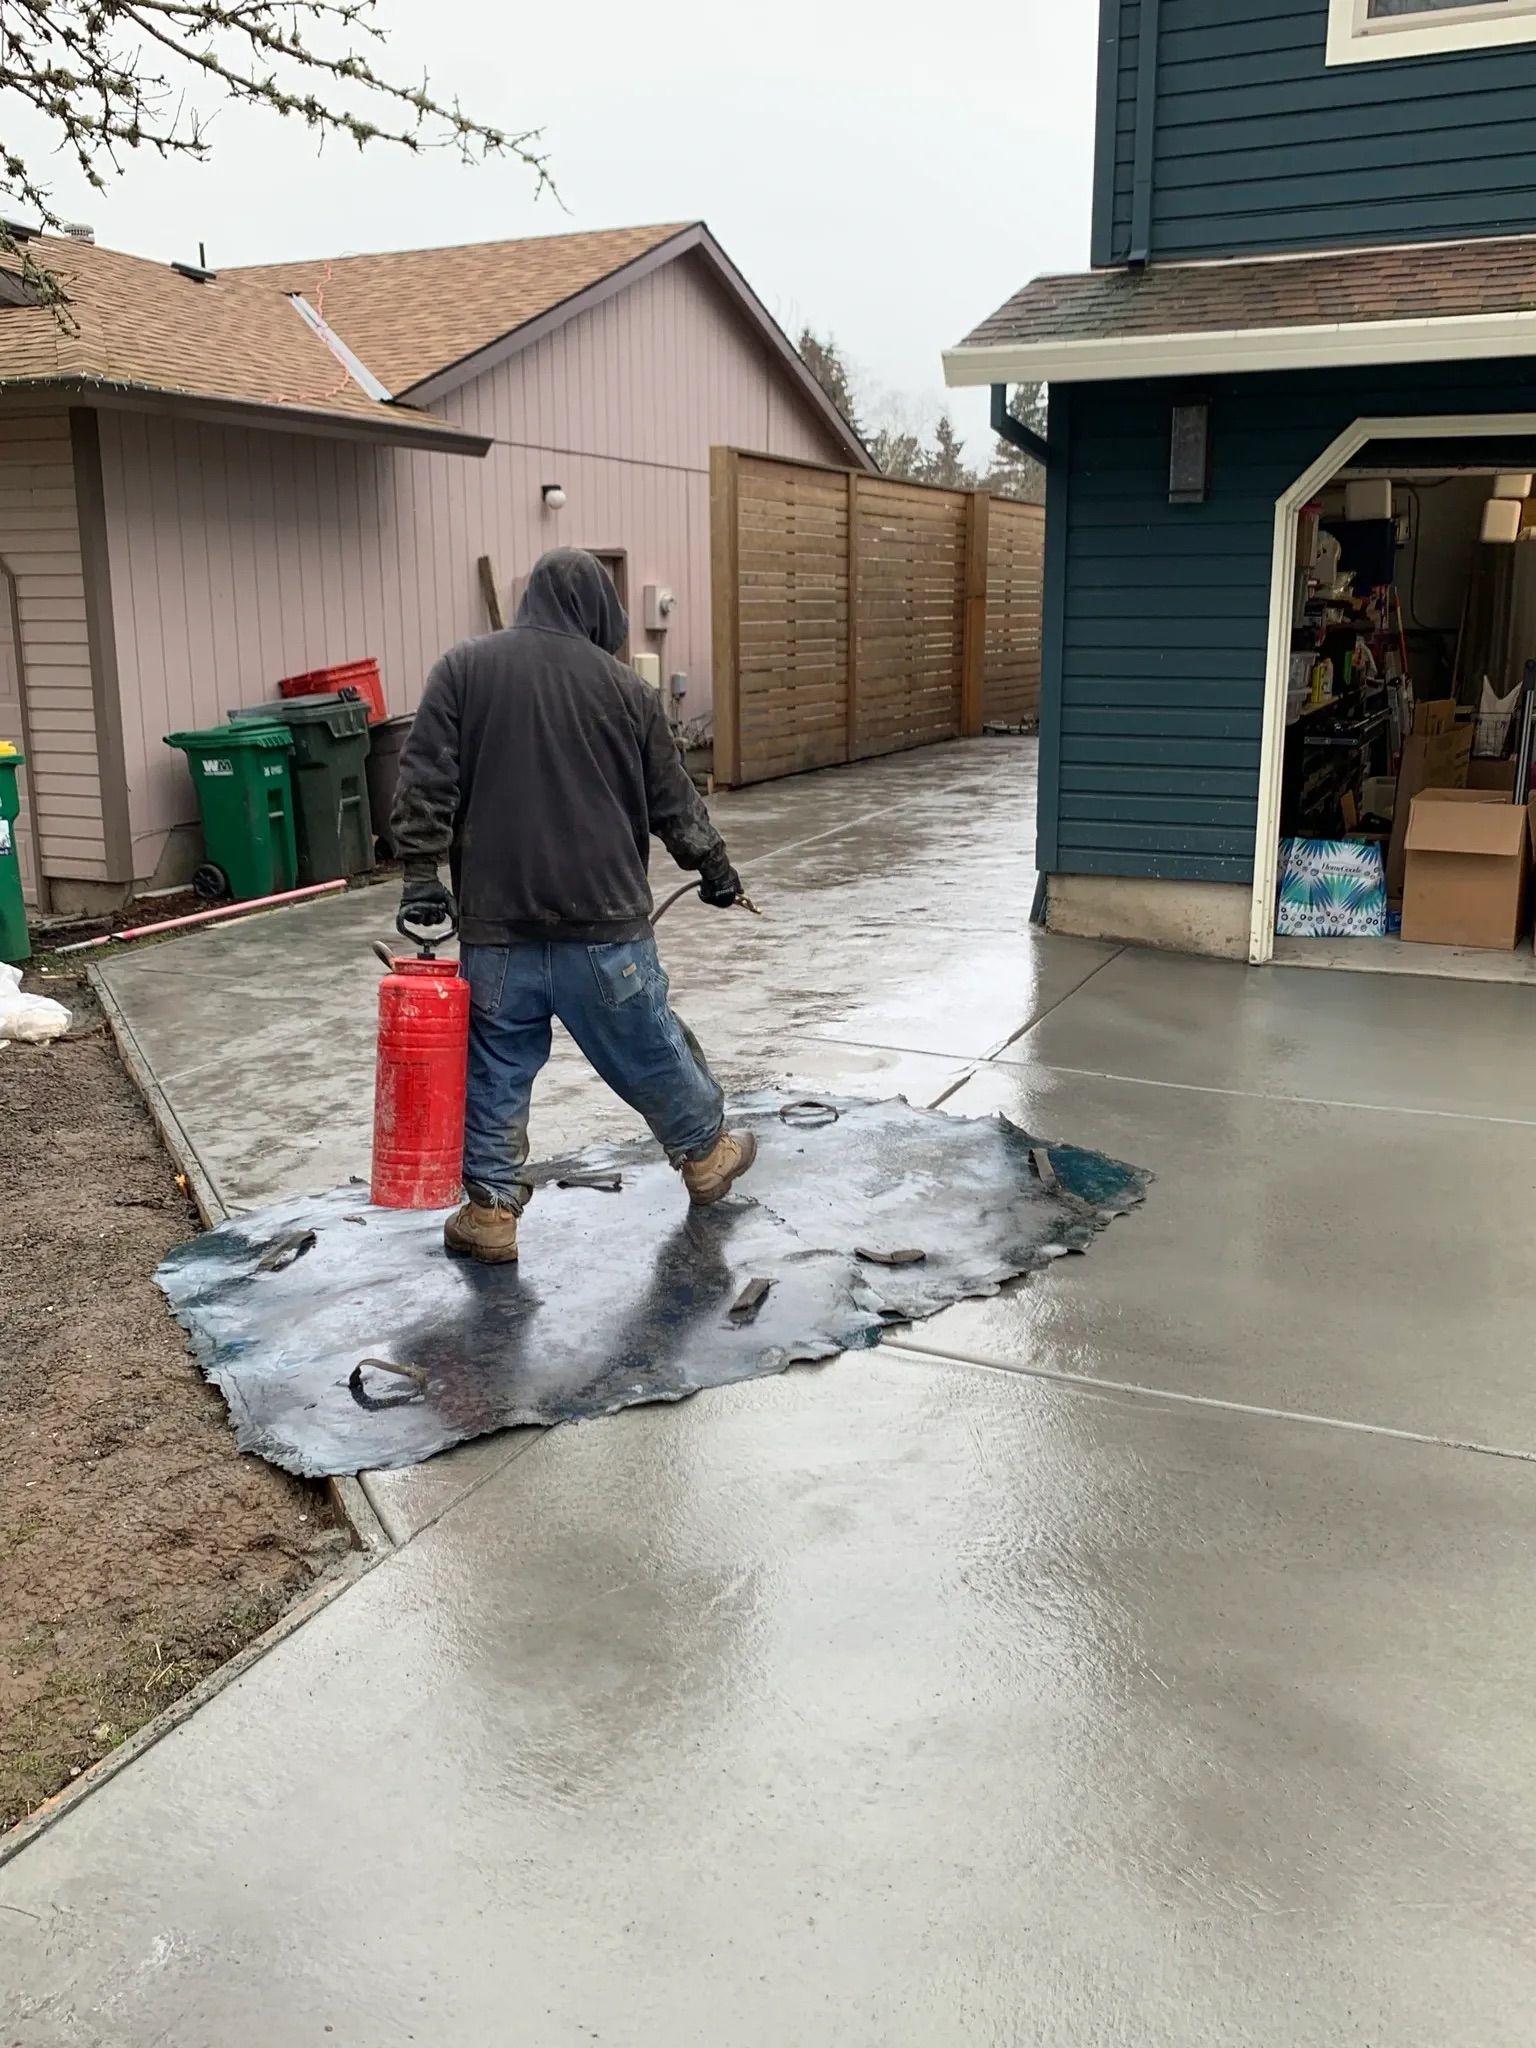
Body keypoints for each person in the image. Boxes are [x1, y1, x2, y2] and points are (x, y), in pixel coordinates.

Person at [390, 548, 756, 1264]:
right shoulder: (625, 689)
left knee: (497, 1065)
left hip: (499, 931)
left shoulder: (463, 669)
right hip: (605, 929)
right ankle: (707, 1158)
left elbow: (424, 777)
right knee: (650, 1046)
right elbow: (672, 798)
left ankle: (491, 1213)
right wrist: (714, 867)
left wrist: (418, 876)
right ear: (599, 613)